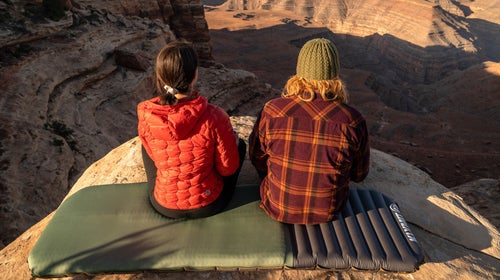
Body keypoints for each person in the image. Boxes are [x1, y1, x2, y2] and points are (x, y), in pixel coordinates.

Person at [249, 38, 370, 224]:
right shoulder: (352, 120)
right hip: (328, 212)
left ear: (299, 72)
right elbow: (359, 175)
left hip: (276, 206)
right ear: (334, 75)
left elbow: (257, 158)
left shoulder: (272, 111)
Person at [137, 40, 245, 219]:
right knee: (240, 145)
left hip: (164, 205)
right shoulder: (214, 116)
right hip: (208, 204)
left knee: (145, 145)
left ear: (161, 76)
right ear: (195, 74)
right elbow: (228, 169)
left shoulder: (147, 115)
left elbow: (155, 156)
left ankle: (164, 188)